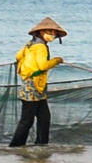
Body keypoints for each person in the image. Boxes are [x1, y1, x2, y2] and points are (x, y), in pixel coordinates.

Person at [8, 17, 65, 147]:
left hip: (33, 86)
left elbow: (18, 56)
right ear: (41, 32)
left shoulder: (30, 44)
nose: (52, 35)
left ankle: (41, 145)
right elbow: (43, 66)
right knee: (26, 121)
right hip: (33, 87)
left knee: (44, 118)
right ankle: (15, 146)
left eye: (53, 33)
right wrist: (57, 60)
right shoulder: (40, 47)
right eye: (49, 32)